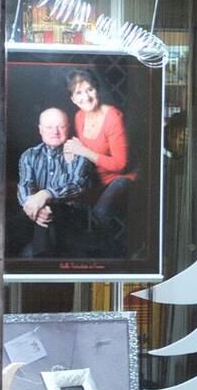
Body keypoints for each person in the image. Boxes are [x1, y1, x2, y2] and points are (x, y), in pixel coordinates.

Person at [63, 69, 135, 248]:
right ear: (72, 99)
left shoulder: (113, 118)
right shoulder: (79, 117)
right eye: (79, 92)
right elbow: (83, 153)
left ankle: (106, 256)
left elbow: (121, 165)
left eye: (90, 89)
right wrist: (72, 152)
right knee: (67, 204)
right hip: (96, 179)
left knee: (100, 213)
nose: (86, 97)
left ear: (97, 90)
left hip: (119, 179)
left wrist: (84, 151)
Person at [16, 108, 99, 258]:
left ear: (68, 128)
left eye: (61, 126)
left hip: (72, 220)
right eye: (49, 127)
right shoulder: (29, 155)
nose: (55, 132)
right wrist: (35, 207)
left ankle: (42, 262)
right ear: (40, 130)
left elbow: (78, 185)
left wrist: (46, 194)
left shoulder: (79, 152)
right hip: (35, 219)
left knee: (52, 210)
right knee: (26, 216)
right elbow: (25, 186)